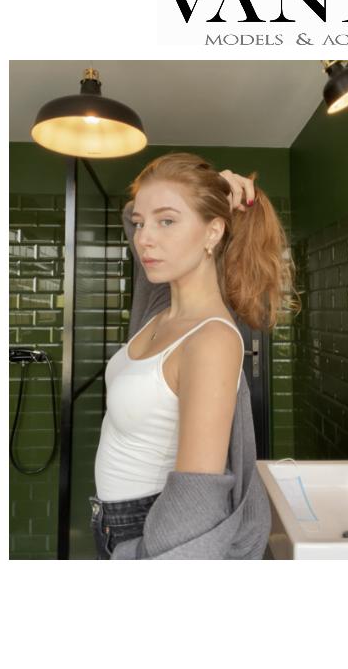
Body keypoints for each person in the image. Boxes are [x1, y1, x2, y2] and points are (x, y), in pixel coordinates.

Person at [89, 153, 299, 559]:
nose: (144, 238)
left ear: (213, 231)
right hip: (114, 522)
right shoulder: (159, 309)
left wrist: (137, 554)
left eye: (167, 221)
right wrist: (212, 187)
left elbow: (196, 500)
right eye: (141, 224)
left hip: (152, 534)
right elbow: (134, 212)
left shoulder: (210, 340)